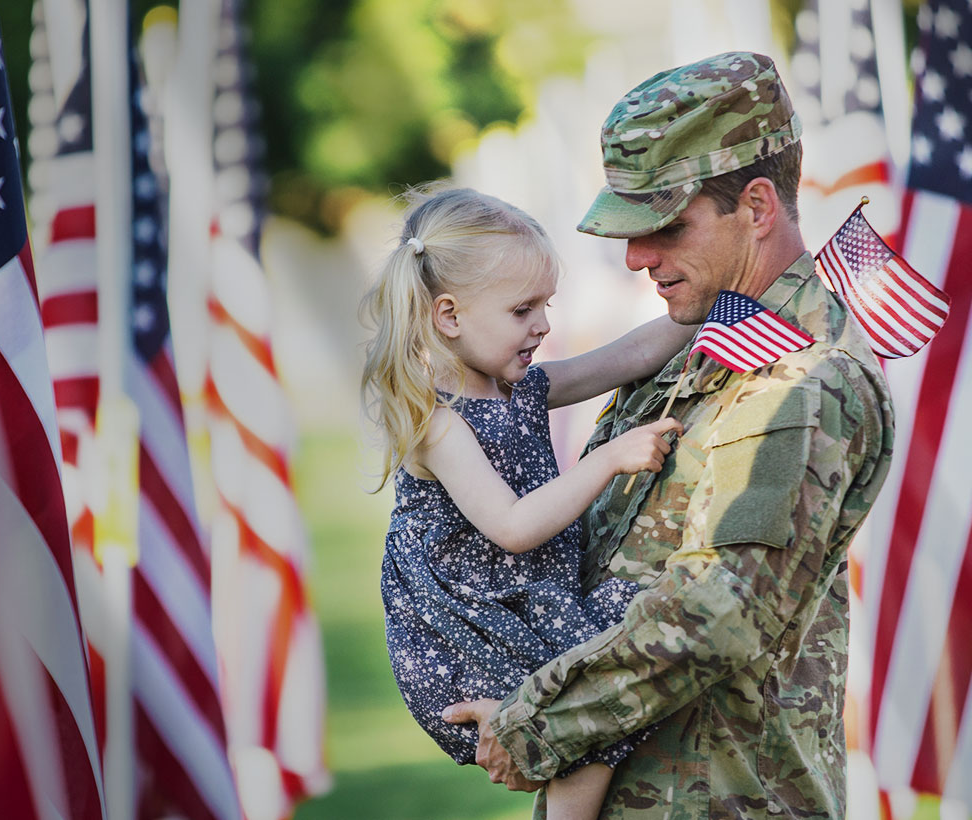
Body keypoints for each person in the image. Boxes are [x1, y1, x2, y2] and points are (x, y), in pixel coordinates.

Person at [441, 52, 897, 818]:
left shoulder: (800, 382)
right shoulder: (705, 339)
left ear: (757, 207)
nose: (636, 257)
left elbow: (715, 614)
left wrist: (533, 726)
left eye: (665, 226)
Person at [361, 186, 695, 819]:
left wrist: (722, 308)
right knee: (590, 715)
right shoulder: (438, 424)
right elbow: (512, 527)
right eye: (522, 310)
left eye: (546, 305)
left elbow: (628, 356)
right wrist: (609, 457)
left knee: (606, 696)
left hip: (531, 607)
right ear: (449, 316)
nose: (543, 324)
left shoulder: (521, 388)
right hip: (473, 630)